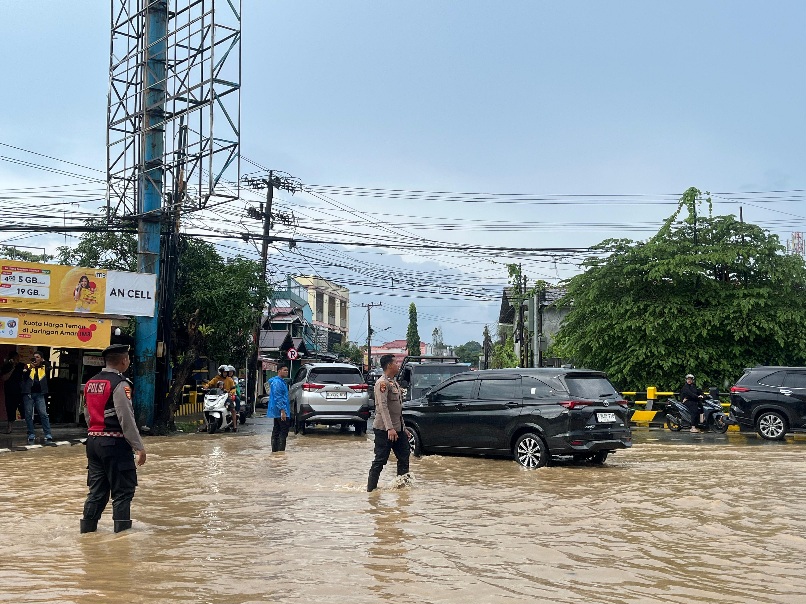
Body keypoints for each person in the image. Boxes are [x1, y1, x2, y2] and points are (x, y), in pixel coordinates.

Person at [80, 344, 146, 534]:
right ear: (124, 361)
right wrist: (138, 447)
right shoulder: (120, 384)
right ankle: (122, 537)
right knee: (123, 492)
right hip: (114, 444)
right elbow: (126, 417)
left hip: (92, 442)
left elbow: (87, 415)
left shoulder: (91, 382)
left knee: (97, 492)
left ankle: (87, 533)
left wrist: (96, 433)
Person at [367, 354, 410, 492]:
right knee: (380, 459)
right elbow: (383, 407)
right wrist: (389, 428)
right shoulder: (382, 383)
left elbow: (397, 409)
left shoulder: (393, 382)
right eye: (396, 363)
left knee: (404, 457)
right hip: (384, 429)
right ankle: (371, 491)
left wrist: (403, 428)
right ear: (389, 365)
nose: (398, 365)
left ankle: (402, 489)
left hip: (398, 429)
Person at [21, 351, 53, 443]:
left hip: (40, 394)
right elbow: (24, 376)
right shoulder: (27, 366)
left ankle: (48, 433)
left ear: (41, 359)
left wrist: (43, 361)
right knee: (28, 414)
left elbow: (49, 367)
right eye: (34, 357)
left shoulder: (43, 367)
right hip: (28, 394)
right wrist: (30, 367)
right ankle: (31, 433)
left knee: (43, 414)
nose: (35, 359)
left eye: (37, 357)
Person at [267, 364, 290, 452]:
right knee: (283, 432)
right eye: (284, 370)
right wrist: (282, 411)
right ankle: (280, 452)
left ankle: (276, 453)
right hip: (280, 411)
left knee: (277, 430)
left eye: (287, 370)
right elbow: (278, 397)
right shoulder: (277, 382)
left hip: (278, 411)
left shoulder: (279, 381)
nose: (286, 372)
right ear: (279, 371)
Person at [1, 352, 25, 433]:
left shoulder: (21, 365)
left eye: (18, 358)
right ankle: (10, 427)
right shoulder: (7, 366)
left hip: (20, 391)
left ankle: (29, 427)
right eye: (15, 358)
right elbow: (4, 378)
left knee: (24, 409)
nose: (17, 360)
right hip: (10, 391)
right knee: (10, 409)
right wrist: (12, 368)